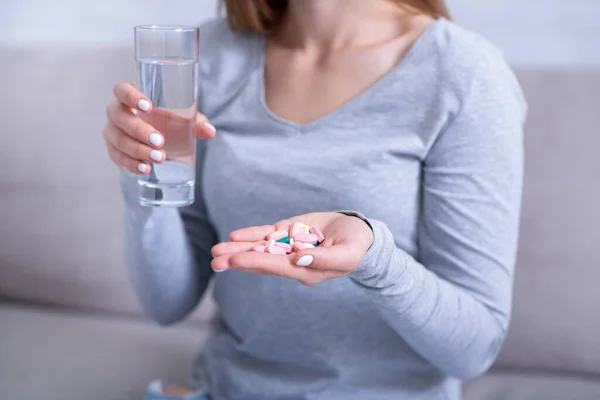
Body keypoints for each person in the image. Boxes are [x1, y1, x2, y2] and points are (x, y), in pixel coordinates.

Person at [102, 0, 526, 398]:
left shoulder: (465, 74)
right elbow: (167, 303)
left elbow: (474, 349)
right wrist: (144, 171)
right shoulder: (209, 54)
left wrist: (375, 260)